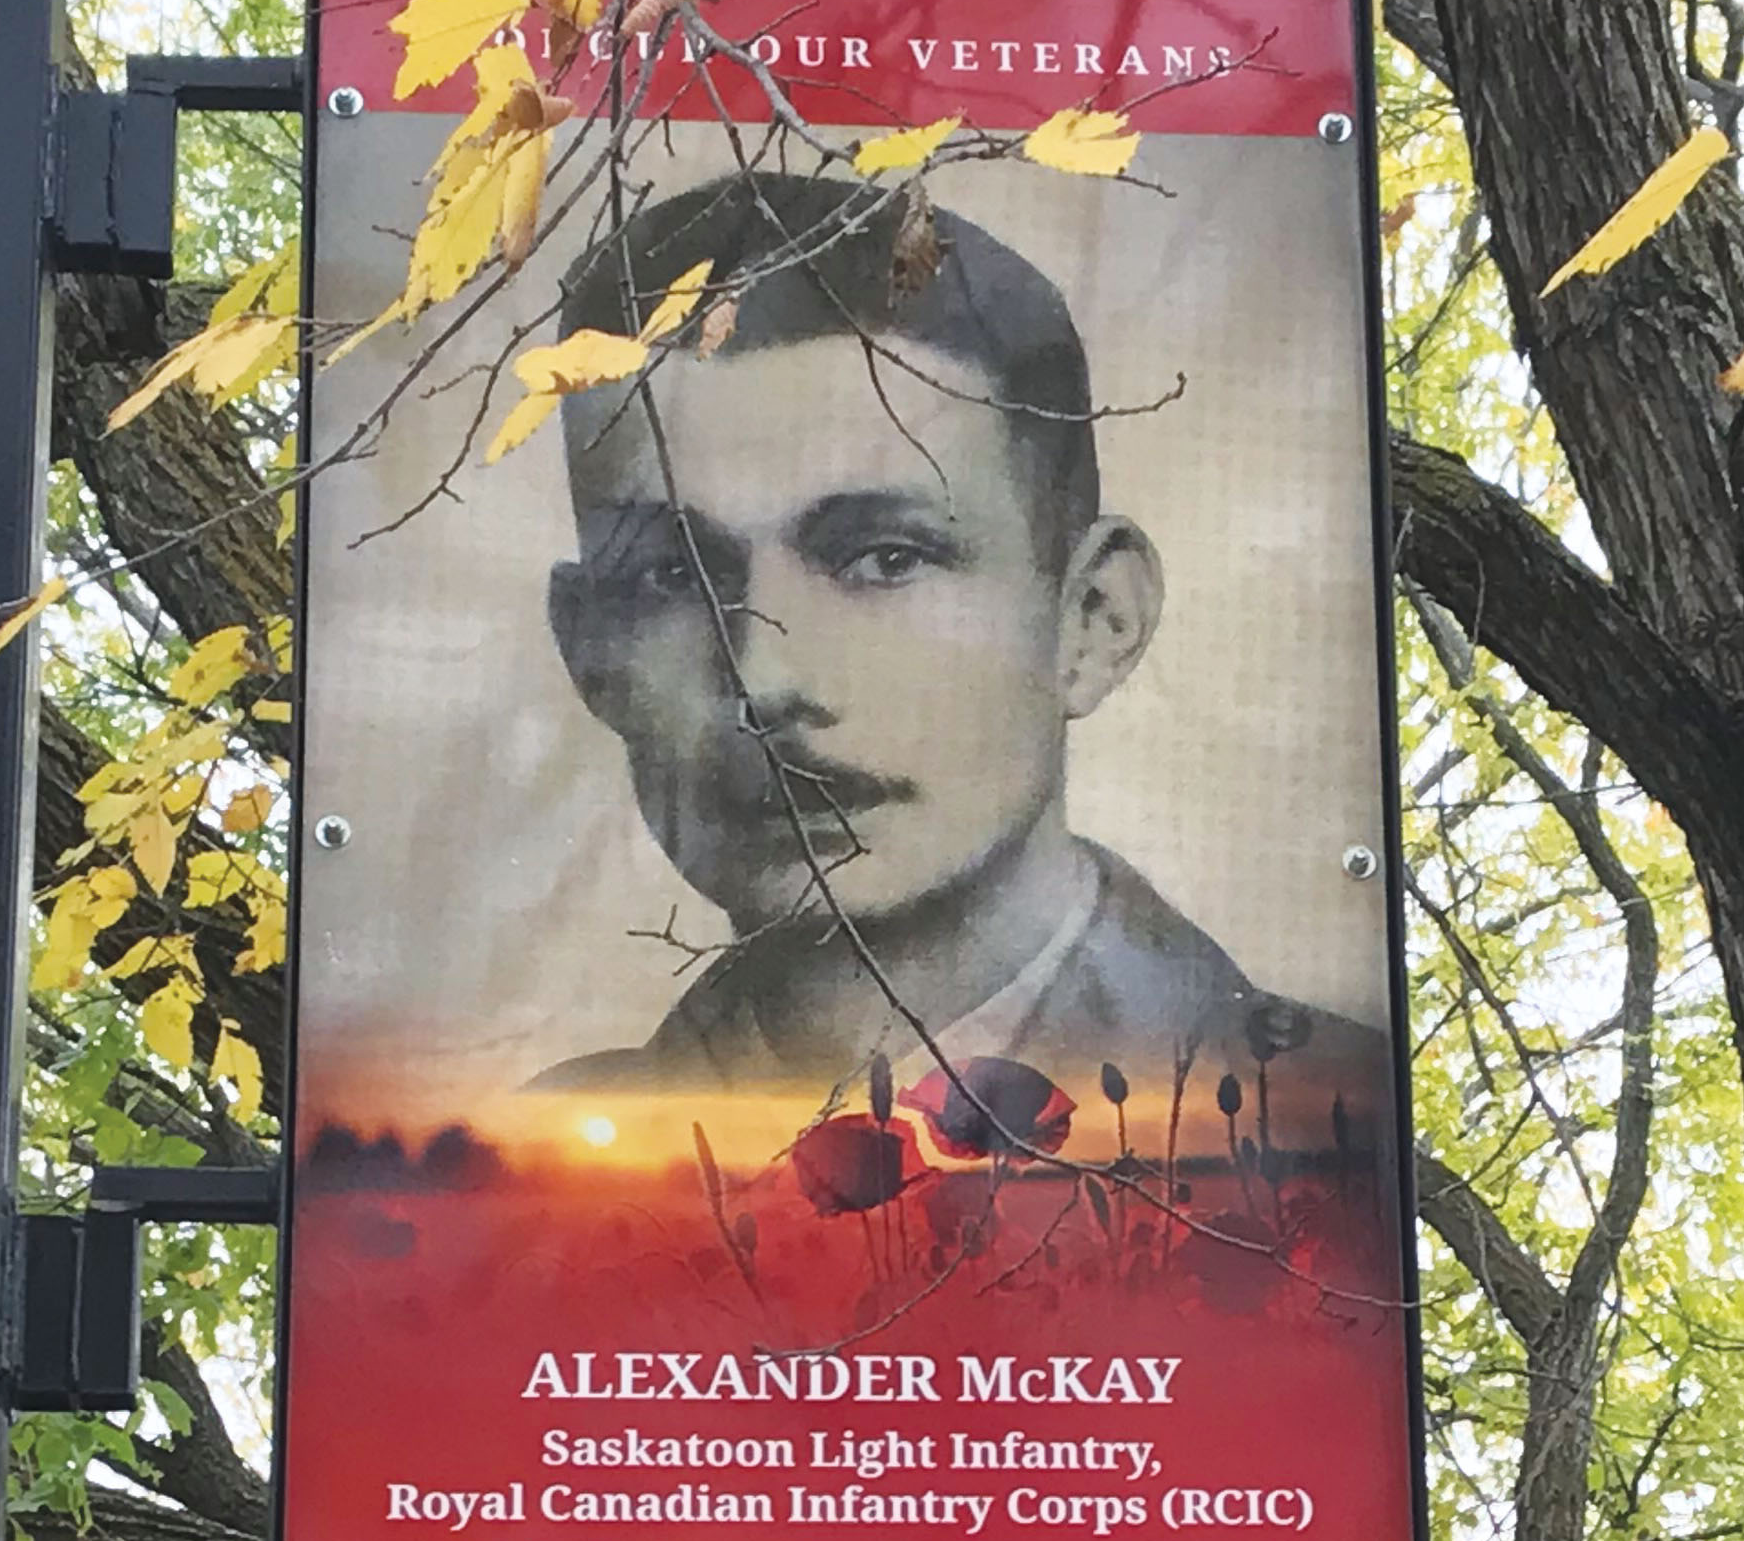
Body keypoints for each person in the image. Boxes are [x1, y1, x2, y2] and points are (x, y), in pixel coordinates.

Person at [530, 165, 1385, 1124]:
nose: (765, 679)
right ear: (589, 650)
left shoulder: (1321, 1122)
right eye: (672, 575)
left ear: (1094, 617)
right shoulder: (508, 1180)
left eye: (884, 558)